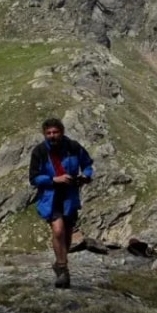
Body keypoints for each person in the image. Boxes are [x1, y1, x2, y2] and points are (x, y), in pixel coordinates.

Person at [29, 117, 100, 288]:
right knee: (58, 230)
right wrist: (54, 179)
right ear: (44, 134)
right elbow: (34, 178)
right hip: (50, 196)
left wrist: (86, 175)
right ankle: (63, 269)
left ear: (62, 132)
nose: (52, 136)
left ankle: (60, 262)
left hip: (70, 196)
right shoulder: (40, 152)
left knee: (67, 233)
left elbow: (87, 164)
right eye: (49, 133)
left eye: (55, 132)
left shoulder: (73, 147)